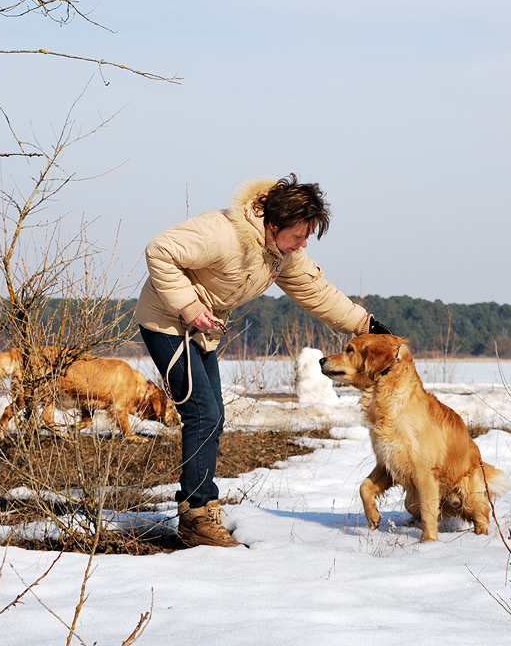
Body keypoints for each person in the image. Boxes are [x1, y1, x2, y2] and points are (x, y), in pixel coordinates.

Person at [136, 174, 391, 548]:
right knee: (203, 414)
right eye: (299, 236)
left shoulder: (281, 254)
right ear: (273, 225)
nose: (303, 244)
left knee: (214, 415)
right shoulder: (223, 234)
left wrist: (366, 325)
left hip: (200, 328)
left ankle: (201, 507)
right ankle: (196, 516)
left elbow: (317, 291)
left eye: (307, 237)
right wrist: (189, 306)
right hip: (166, 320)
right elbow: (160, 249)